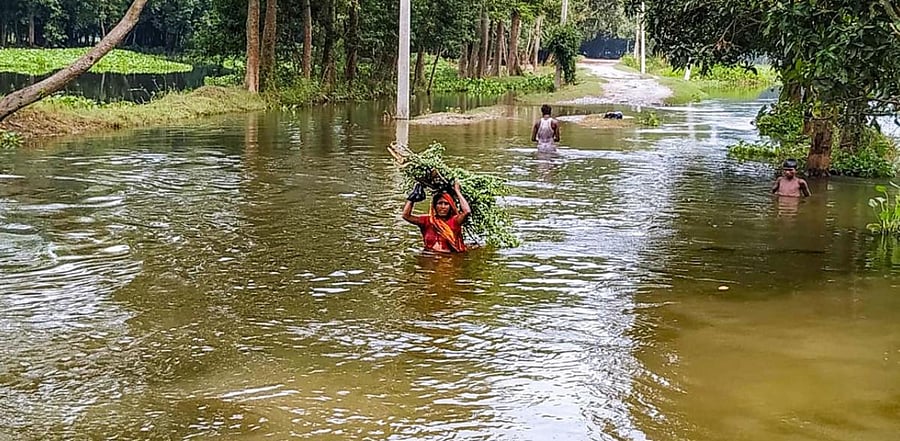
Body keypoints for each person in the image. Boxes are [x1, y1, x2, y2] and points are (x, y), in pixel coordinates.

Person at [402, 180, 471, 253]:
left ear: (450, 206)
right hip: (430, 257)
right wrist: (412, 199)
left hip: (449, 259)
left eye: (446, 204)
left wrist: (457, 191)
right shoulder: (427, 221)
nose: (443, 207)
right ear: (434, 206)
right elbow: (406, 215)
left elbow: (467, 211)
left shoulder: (455, 221)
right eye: (440, 203)